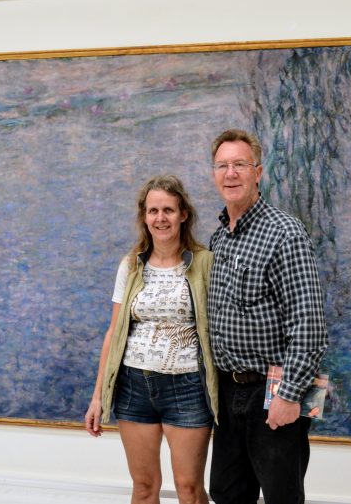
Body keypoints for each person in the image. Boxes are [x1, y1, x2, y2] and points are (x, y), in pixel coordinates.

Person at [206, 129, 328, 504]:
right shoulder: (219, 238)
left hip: (271, 391)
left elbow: (309, 326)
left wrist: (289, 395)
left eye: (240, 164)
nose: (231, 173)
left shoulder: (284, 233)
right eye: (223, 165)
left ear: (258, 172)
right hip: (228, 392)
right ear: (214, 174)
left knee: (281, 497)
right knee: (226, 493)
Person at [85, 175, 219, 504]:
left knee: (189, 488)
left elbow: (220, 327)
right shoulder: (131, 265)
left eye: (169, 210)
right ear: (144, 216)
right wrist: (98, 396)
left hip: (187, 387)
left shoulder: (204, 263)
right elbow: (114, 331)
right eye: (153, 211)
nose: (161, 218)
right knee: (144, 487)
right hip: (134, 386)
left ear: (183, 214)